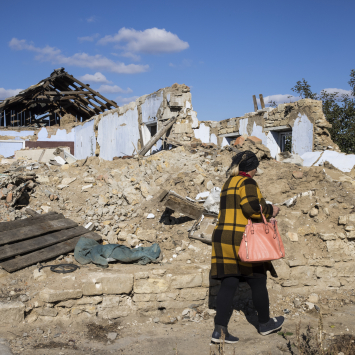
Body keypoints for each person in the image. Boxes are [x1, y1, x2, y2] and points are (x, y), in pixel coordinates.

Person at [210, 150, 284, 344]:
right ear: (253, 168)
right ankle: (265, 323)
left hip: (223, 238)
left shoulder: (229, 183)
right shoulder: (248, 182)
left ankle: (219, 331)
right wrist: (271, 210)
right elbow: (251, 209)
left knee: (229, 282)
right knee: (258, 280)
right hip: (243, 239)